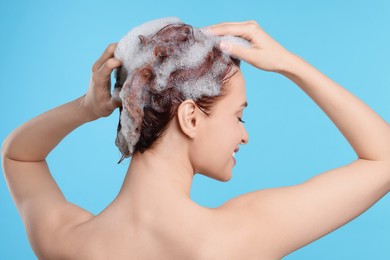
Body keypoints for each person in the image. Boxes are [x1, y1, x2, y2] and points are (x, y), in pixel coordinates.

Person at [2, 19, 389, 260]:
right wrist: (290, 63)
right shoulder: (240, 237)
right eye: (239, 115)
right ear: (190, 118)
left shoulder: (70, 243)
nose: (245, 134)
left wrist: (88, 107)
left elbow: (18, 157)